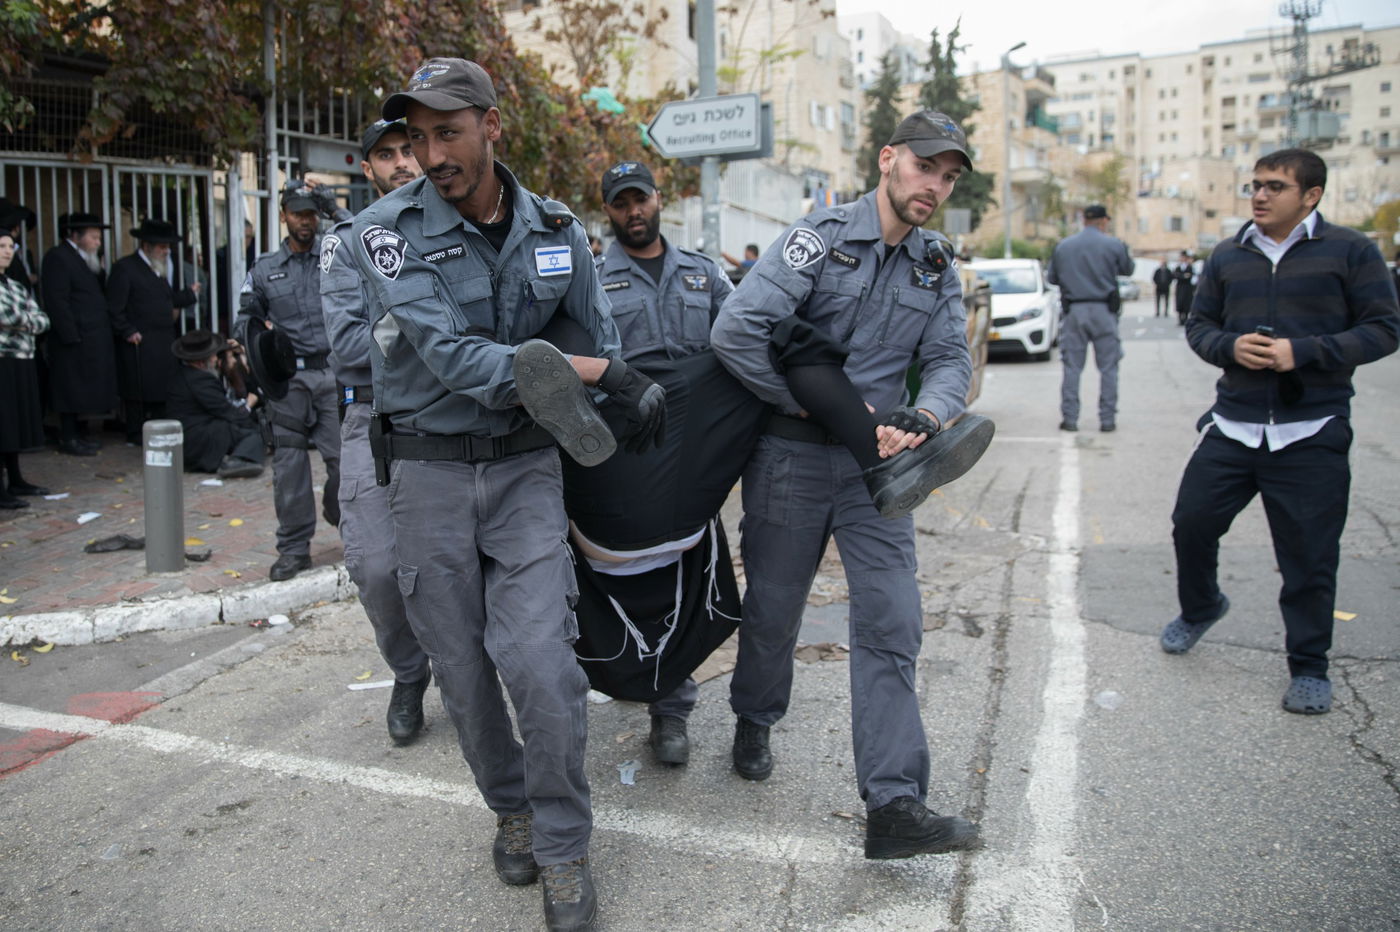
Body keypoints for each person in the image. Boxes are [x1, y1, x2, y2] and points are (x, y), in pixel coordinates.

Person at [339, 57, 661, 931]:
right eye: (417, 137)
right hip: (427, 471)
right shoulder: (382, 232)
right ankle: (509, 807)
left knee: (543, 666)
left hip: (526, 470)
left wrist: (608, 383)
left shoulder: (557, 229)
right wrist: (599, 371)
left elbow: (594, 334)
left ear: (491, 125)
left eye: (448, 131)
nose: (431, 152)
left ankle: (562, 848)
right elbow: (455, 361)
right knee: (467, 673)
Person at [709, 108, 987, 860]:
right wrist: (808, 403)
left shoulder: (935, 265)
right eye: (926, 167)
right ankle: (754, 716)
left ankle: (895, 802)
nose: (935, 185)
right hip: (793, 458)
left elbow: (951, 362)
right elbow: (736, 330)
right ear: (889, 160)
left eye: (949, 176)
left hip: (881, 470)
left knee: (893, 620)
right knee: (772, 610)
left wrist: (925, 416)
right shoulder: (819, 238)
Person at [1160, 148, 1399, 715]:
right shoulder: (1228, 255)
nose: (1259, 196)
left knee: (1309, 557)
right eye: (1255, 186)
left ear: (1310, 196)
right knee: (1191, 525)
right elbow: (1200, 326)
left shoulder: (1351, 251)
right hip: (1233, 426)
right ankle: (1200, 608)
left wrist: (1305, 352)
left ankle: (1310, 666)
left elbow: (1384, 330)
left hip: (1310, 431)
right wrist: (1230, 347)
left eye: (1274, 187)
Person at [574, 159, 747, 766]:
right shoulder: (592, 280)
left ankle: (671, 710)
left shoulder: (704, 275)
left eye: (640, 199)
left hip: (694, 450)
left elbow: (742, 340)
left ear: (658, 199)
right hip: (630, 448)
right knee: (633, 578)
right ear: (609, 211)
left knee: (687, 571)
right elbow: (581, 365)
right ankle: (625, 676)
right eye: (620, 204)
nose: (633, 212)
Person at [319, 116, 433, 746]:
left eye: (407, 148)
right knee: (377, 567)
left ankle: (474, 670)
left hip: (453, 411)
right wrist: (433, 326)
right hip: (374, 416)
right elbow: (347, 347)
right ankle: (409, 672)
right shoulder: (344, 244)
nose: (400, 163)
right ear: (367, 169)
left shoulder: (462, 227)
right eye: (384, 155)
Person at [235, 180, 344, 582]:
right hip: (289, 382)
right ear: (283, 215)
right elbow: (243, 322)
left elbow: (369, 241)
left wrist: (334, 209)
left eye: (311, 213)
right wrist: (258, 360)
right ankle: (295, 549)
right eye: (299, 213)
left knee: (348, 465)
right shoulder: (264, 269)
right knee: (290, 469)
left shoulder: (336, 253)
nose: (306, 221)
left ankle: (343, 517)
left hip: (334, 376)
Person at [108, 218, 202, 443]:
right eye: (162, 247)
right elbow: (114, 307)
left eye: (168, 247)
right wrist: (127, 330)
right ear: (147, 246)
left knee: (160, 387)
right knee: (137, 389)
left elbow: (165, 300)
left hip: (161, 340)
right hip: (139, 340)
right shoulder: (125, 268)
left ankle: (157, 428)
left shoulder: (155, 269)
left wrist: (188, 294)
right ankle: (134, 432)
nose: (166, 251)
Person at [1046, 204, 1133, 433]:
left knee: (1072, 368)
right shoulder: (1114, 244)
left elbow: (1053, 278)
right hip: (1104, 311)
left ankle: (1070, 419)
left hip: (1074, 312)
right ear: (1104, 221)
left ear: (1084, 219)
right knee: (1109, 368)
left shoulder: (1063, 246)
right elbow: (1128, 270)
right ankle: (1107, 420)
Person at [42, 212, 118, 456]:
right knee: (69, 388)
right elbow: (57, 300)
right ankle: (68, 436)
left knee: (83, 388)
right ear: (75, 235)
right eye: (93, 237)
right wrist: (70, 334)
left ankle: (80, 432)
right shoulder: (58, 258)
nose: (98, 242)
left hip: (89, 337)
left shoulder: (85, 259)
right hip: (72, 337)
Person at [167, 329, 265, 478]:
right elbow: (227, 412)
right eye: (212, 355)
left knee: (245, 429)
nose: (215, 359)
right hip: (197, 438)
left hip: (193, 433)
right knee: (255, 434)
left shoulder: (185, 374)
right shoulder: (200, 380)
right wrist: (255, 426)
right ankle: (236, 461)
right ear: (201, 361)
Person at [0, 230, 52, 509]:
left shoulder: (15, 286)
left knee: (16, 421)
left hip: (21, 359)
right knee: (3, 421)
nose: (8, 251)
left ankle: (16, 478)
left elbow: (42, 319)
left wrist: (23, 322)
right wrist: (26, 321)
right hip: (2, 360)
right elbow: (6, 315)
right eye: (2, 246)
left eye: (11, 246)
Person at [1173, 249, 1196, 326]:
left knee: (1186, 303)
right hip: (1180, 287)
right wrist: (1183, 276)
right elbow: (1176, 276)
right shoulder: (1178, 267)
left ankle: (1185, 319)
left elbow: (1190, 276)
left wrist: (1183, 276)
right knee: (1180, 303)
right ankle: (1180, 319)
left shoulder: (1189, 267)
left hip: (1187, 288)